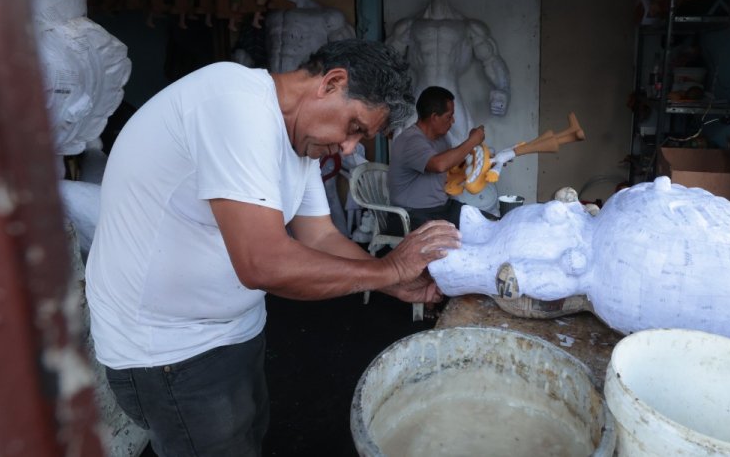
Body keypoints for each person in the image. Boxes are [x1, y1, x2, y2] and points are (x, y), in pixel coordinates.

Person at [85, 40, 460, 456]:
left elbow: (320, 236)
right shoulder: (234, 103)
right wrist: (389, 269)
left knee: (247, 441)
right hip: (169, 350)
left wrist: (394, 282)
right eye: (355, 127)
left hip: (235, 329)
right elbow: (262, 263)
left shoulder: (300, 140)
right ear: (332, 83)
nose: (350, 147)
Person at [388, 86, 486, 227]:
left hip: (441, 209)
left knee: (487, 224)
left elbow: (454, 164)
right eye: (449, 116)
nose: (452, 121)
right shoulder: (410, 140)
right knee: (459, 238)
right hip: (410, 215)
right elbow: (439, 165)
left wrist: (487, 162)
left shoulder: (442, 138)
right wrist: (472, 141)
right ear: (434, 117)